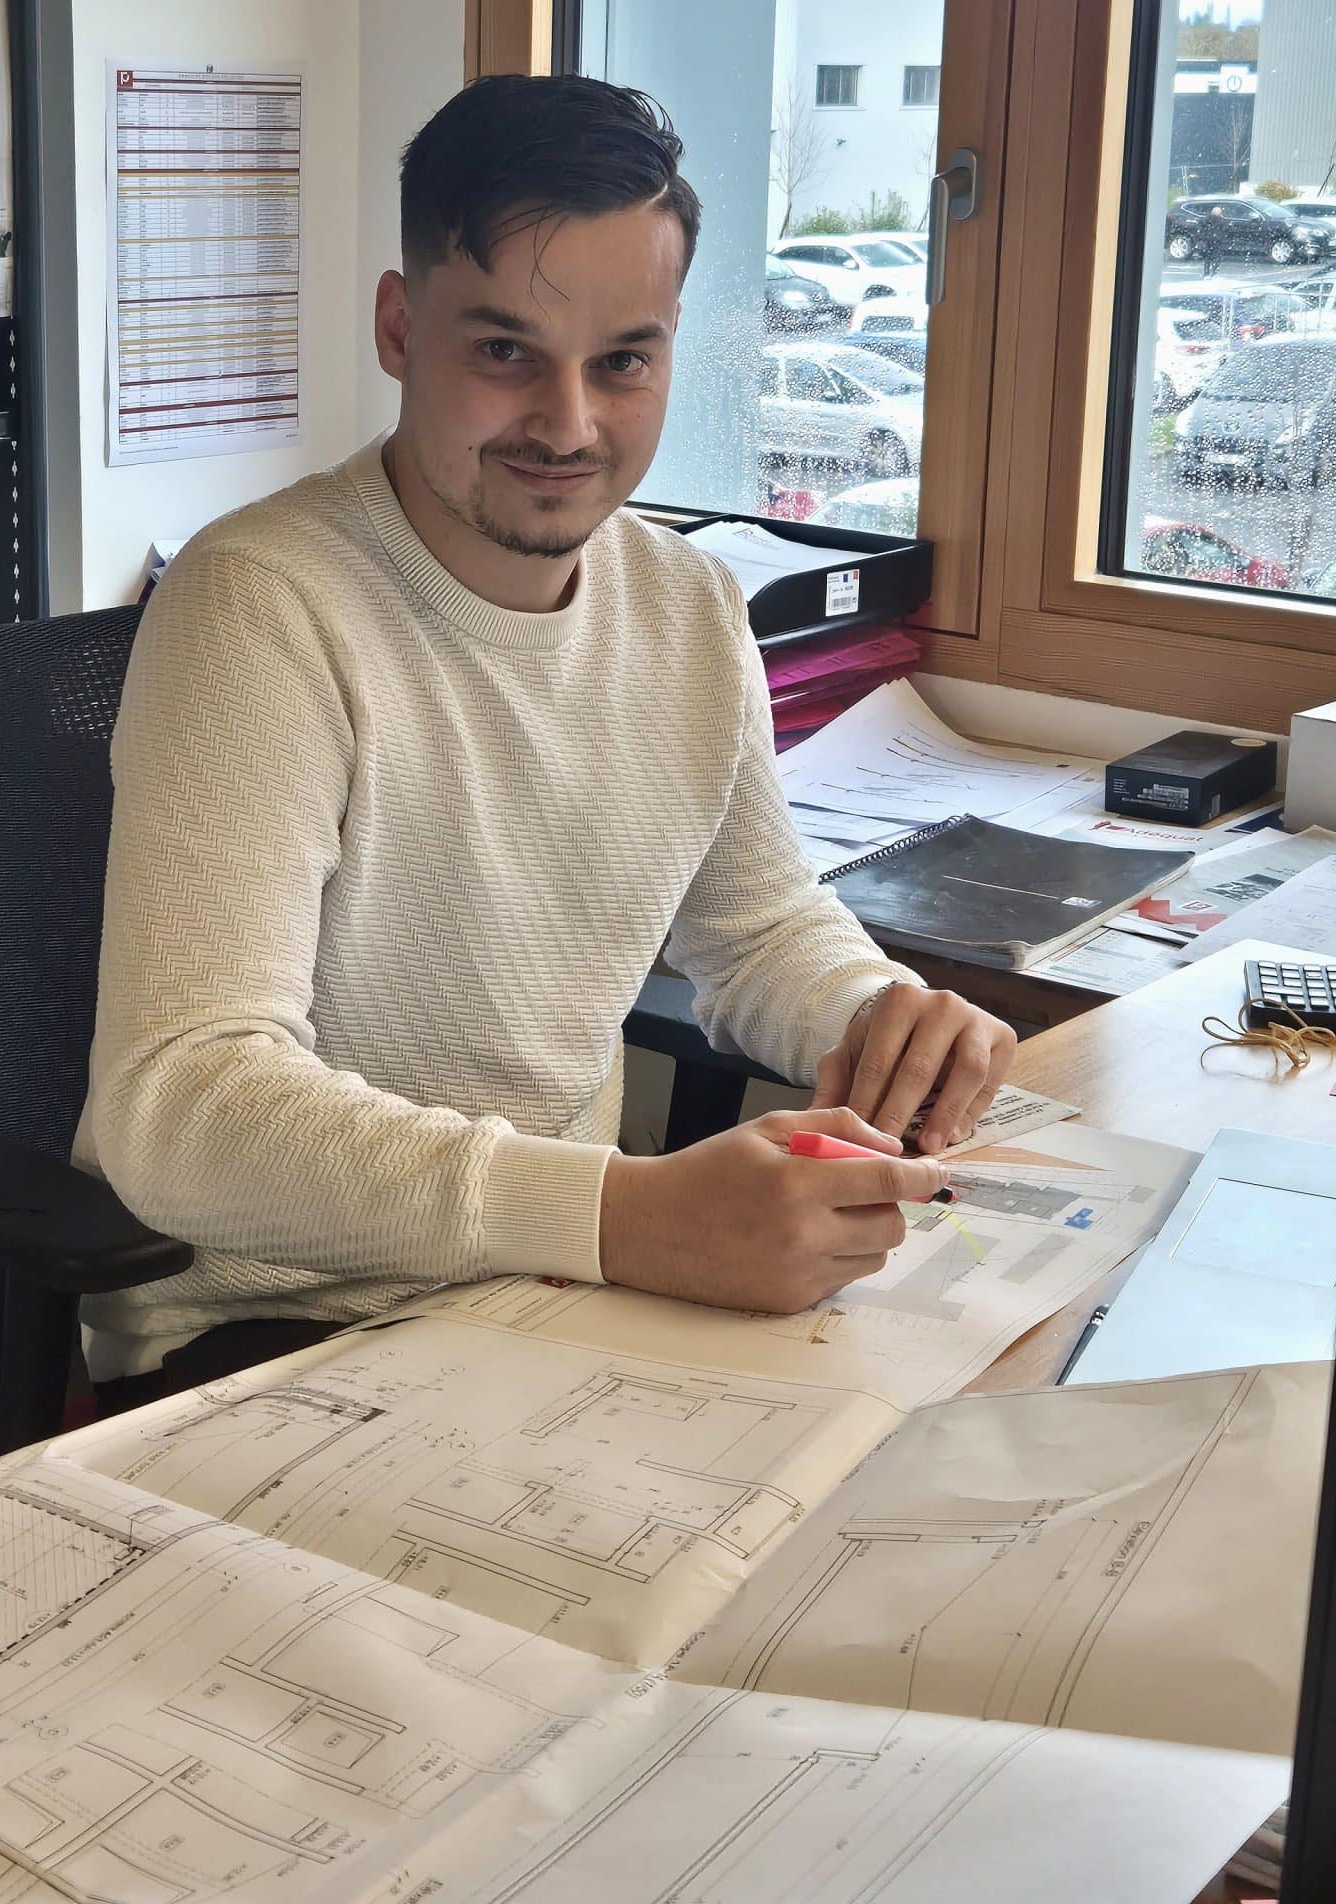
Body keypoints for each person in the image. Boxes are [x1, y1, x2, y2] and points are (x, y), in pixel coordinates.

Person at [76, 74, 1015, 1405]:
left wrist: (876, 1018)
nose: (569, 426)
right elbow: (183, 1108)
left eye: (623, 360)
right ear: (403, 328)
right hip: (274, 1341)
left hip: (560, 1298)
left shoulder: (690, 606)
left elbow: (751, 929)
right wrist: (623, 1216)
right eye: (506, 351)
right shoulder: (264, 607)